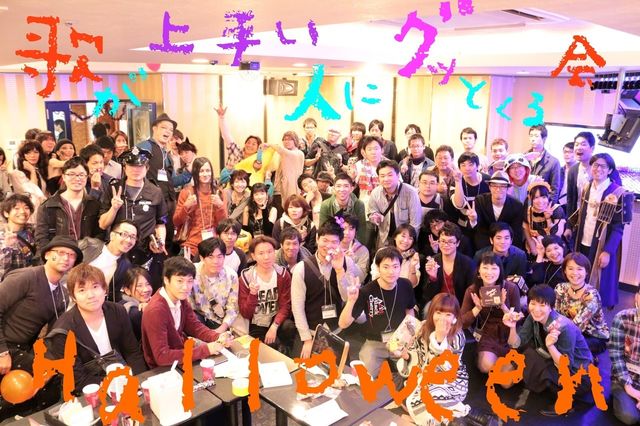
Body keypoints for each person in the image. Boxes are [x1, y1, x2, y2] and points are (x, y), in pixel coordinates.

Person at [0, 236, 81, 420]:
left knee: (55, 375)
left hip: (24, 348)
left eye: (71, 255)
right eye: (61, 252)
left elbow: (53, 334)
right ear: (47, 255)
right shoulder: (26, 277)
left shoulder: (62, 294)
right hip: (6, 344)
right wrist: (2, 352)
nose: (66, 258)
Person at [45, 264, 147, 393]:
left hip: (126, 380)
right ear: (73, 296)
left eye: (95, 287)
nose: (91, 295)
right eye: (82, 290)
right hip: (91, 390)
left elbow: (132, 353)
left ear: (105, 289)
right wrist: (116, 385)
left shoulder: (118, 311)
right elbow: (77, 379)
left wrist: (139, 379)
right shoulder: (63, 331)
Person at [503, 285, 594, 416]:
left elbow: (565, 367)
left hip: (578, 377)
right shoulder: (532, 318)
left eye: (542, 305)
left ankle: (567, 403)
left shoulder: (564, 327)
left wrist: (550, 346)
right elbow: (516, 344)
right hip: (554, 362)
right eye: (533, 303)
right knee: (525, 354)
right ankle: (544, 383)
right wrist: (512, 327)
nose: (536, 309)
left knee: (529, 357)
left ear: (551, 307)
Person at [398, 294, 483, 426]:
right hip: (424, 376)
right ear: (432, 313)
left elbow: (443, 369)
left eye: (448, 314)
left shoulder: (457, 335)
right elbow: (417, 359)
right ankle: (454, 419)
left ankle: (460, 414)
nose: (442, 318)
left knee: (430, 397)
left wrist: (439, 339)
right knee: (403, 398)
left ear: (455, 317)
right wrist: (407, 357)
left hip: (451, 380)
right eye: (438, 313)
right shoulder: (421, 328)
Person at [339, 247, 416, 378]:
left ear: (400, 267)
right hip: (375, 342)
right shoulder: (367, 291)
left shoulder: (406, 285)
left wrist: (408, 338)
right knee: (364, 378)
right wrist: (351, 301)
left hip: (400, 341)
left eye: (395, 266)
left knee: (413, 374)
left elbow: (410, 310)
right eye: (386, 267)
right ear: (378, 268)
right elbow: (343, 324)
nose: (391, 271)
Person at [99, 148, 168, 290]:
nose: (136, 170)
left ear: (147, 168)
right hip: (119, 251)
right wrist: (114, 208)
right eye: (131, 166)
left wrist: (160, 241)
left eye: (140, 166)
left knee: (145, 290)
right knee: (117, 289)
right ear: (124, 168)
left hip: (146, 252)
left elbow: (160, 223)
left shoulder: (155, 191)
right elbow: (103, 224)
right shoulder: (114, 188)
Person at [141, 256, 228, 369]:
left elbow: (194, 326)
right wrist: (206, 349)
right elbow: (162, 356)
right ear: (166, 280)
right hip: (164, 369)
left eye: (190, 281)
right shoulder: (156, 311)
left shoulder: (180, 298)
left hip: (181, 356)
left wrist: (218, 337)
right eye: (180, 281)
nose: (185, 287)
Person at [291, 220, 360, 358]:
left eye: (334, 242)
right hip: (310, 332)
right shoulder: (301, 268)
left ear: (340, 243)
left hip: (337, 331)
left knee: (340, 370)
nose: (328, 245)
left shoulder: (347, 262)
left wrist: (339, 270)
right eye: (325, 240)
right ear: (317, 239)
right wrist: (306, 339)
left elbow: (347, 298)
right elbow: (297, 307)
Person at [572, 153, 626, 308]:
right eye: (595, 165)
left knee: (600, 279)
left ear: (610, 170)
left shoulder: (617, 193)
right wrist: (569, 228)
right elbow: (581, 213)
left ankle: (595, 311)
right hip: (583, 238)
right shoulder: (587, 187)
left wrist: (608, 251)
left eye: (603, 166)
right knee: (581, 272)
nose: (598, 169)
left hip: (602, 244)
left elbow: (618, 227)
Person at [137, 113, 192, 254]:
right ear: (154, 128)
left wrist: (189, 172)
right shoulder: (145, 146)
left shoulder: (167, 156)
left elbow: (172, 182)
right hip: (150, 202)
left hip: (168, 202)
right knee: (152, 240)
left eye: (170, 130)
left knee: (168, 240)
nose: (167, 131)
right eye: (164, 127)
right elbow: (134, 171)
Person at [460, 252, 521, 374]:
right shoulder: (472, 290)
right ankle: (503, 369)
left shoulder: (511, 288)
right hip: (487, 333)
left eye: (494, 268)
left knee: (506, 376)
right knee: (486, 366)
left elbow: (517, 320)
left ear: (500, 270)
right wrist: (478, 308)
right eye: (485, 267)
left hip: (509, 332)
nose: (489, 272)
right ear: (478, 270)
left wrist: (503, 306)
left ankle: (504, 369)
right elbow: (462, 322)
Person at [36, 157, 103, 255]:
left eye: (81, 175)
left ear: (87, 177)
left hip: (88, 257)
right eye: (71, 174)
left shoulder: (95, 204)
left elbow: (100, 235)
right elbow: (41, 239)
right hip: (59, 258)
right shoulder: (48, 206)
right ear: (63, 176)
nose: (77, 178)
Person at [239, 236, 296, 351]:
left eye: (270, 252)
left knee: (289, 327)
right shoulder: (246, 278)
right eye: (261, 253)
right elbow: (245, 313)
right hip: (256, 323)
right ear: (253, 256)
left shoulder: (283, 274)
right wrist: (253, 294)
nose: (266, 257)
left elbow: (285, 305)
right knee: (272, 346)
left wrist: (274, 326)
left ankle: (286, 352)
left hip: (276, 319)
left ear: (275, 252)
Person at [554, 253, 609, 357]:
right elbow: (555, 314)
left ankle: (588, 360)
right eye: (570, 268)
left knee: (568, 345)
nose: (575, 273)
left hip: (593, 336)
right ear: (565, 270)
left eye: (579, 269)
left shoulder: (591, 295)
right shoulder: (560, 288)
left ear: (586, 272)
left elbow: (577, 326)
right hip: (567, 329)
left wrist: (555, 336)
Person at [174, 157, 227, 257]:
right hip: (191, 244)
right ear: (195, 173)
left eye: (208, 170)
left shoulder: (219, 193)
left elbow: (224, 224)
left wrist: (220, 206)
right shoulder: (186, 192)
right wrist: (186, 207)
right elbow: (176, 221)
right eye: (201, 171)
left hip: (214, 245)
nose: (205, 174)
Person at [368, 160, 421, 249]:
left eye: (390, 175)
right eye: (382, 176)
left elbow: (415, 224)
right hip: (384, 239)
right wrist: (374, 217)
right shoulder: (375, 193)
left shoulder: (411, 192)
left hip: (404, 241)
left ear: (398, 175)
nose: (386, 179)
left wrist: (407, 243)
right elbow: (372, 213)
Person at [190, 238, 239, 334]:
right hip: (196, 318)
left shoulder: (231, 276)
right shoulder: (192, 272)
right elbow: (186, 306)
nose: (216, 261)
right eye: (210, 257)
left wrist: (221, 329)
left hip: (218, 321)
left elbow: (232, 308)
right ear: (202, 258)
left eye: (219, 256)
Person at [80, 220, 136, 302]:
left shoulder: (125, 266)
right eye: (124, 234)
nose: (128, 240)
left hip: (94, 303)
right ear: (112, 235)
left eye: (133, 237)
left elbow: (115, 294)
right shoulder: (89, 244)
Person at [468, 170, 525, 251]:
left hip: (506, 243)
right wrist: (473, 220)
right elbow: (477, 228)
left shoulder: (516, 205)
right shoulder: (480, 200)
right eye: (494, 186)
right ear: (489, 187)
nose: (498, 189)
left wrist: (511, 251)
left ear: (507, 188)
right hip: (484, 241)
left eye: (502, 186)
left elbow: (516, 232)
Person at [423, 222, 475, 306]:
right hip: (438, 304)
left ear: (457, 243)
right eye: (443, 241)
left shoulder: (468, 263)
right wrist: (432, 278)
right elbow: (427, 295)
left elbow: (471, 292)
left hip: (460, 304)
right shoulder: (432, 261)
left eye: (450, 242)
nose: (446, 245)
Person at [608, 286, 640, 425]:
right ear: (637, 296)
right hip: (624, 379)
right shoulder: (622, 318)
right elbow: (616, 355)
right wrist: (629, 387)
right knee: (629, 417)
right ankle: (618, 397)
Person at [318, 172, 367, 244]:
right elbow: (322, 230)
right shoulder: (326, 205)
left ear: (351, 189)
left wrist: (357, 246)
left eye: (346, 186)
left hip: (351, 242)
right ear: (334, 189)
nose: (342, 189)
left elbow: (361, 230)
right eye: (338, 186)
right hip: (333, 242)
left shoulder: (359, 204)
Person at [371, 224, 422, 290]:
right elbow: (375, 276)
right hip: (381, 290)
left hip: (403, 292)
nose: (406, 241)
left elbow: (412, 284)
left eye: (410, 238)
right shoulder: (383, 252)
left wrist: (412, 266)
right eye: (403, 236)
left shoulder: (414, 257)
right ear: (395, 237)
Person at [264, 132, 305, 212]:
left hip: (293, 189)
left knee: (291, 209)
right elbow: (272, 167)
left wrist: (269, 145)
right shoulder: (280, 154)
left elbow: (283, 151)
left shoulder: (298, 153)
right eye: (285, 139)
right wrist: (268, 175)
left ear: (295, 141)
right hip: (278, 189)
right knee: (278, 212)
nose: (287, 141)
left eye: (290, 139)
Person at [0, 194, 36, 280]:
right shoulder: (2, 237)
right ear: (6, 213)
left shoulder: (34, 230)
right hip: (14, 283)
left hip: (34, 280)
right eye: (16, 208)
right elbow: (2, 272)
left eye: (26, 208)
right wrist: (7, 248)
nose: (22, 211)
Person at [524, 181, 565, 254]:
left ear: (548, 197)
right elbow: (527, 232)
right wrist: (534, 250)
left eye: (543, 197)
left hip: (554, 250)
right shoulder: (528, 211)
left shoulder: (556, 209)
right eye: (536, 197)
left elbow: (557, 235)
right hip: (535, 248)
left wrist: (548, 219)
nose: (540, 201)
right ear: (530, 198)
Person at [9, 141, 47, 214]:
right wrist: (32, 170)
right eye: (28, 153)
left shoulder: (38, 172)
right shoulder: (16, 173)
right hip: (26, 211)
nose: (32, 155)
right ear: (23, 155)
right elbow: (33, 191)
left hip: (41, 210)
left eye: (36, 152)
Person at [528, 124, 562, 203]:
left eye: (536, 136)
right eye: (531, 136)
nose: (533, 139)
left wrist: (548, 206)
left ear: (544, 139)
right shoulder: (523, 158)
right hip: (524, 203)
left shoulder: (553, 162)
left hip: (541, 204)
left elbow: (554, 190)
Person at [566, 131, 596, 220]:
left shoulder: (601, 169)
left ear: (592, 148)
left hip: (596, 219)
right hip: (579, 219)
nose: (579, 147)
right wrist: (569, 224)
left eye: (583, 144)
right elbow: (570, 200)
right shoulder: (573, 171)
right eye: (576, 144)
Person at [119, 267, 153, 341]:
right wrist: (150, 311)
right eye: (139, 286)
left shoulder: (121, 303)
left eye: (148, 284)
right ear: (127, 290)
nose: (146, 289)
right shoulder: (134, 312)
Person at [350, 136, 384, 205]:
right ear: (363, 152)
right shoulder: (358, 165)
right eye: (369, 149)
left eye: (376, 148)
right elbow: (350, 187)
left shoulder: (390, 165)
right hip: (365, 204)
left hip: (385, 203)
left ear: (382, 150)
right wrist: (352, 178)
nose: (373, 152)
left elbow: (398, 185)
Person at [339, 214, 369, 284]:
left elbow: (361, 277)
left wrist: (349, 261)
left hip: (352, 287)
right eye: (343, 228)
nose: (347, 232)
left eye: (351, 229)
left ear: (356, 231)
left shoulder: (363, 250)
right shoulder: (332, 246)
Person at [559, 141, 576, 209]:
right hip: (558, 205)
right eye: (565, 152)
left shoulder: (579, 172)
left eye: (571, 152)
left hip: (572, 206)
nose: (567, 154)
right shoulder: (559, 170)